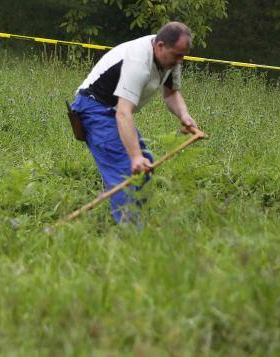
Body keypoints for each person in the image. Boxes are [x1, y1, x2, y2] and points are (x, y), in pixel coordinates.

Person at [70, 21, 198, 223]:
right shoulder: (138, 61)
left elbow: (171, 92)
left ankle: (134, 222)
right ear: (160, 45)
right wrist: (135, 156)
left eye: (183, 56)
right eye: (177, 55)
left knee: (146, 167)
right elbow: (124, 113)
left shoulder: (169, 60)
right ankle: (130, 233)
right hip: (93, 109)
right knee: (128, 170)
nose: (181, 61)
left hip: (112, 111)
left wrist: (185, 116)